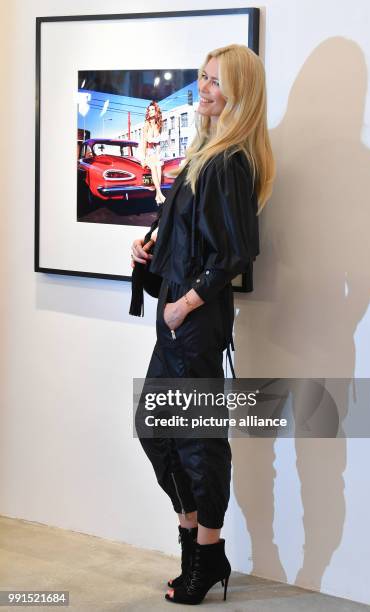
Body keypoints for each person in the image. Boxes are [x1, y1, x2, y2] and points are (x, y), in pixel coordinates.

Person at [131, 43, 275, 605]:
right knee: (156, 431)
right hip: (173, 319)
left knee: (199, 442)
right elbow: (187, 241)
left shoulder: (229, 161)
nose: (205, 89)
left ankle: (207, 554)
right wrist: (148, 257)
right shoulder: (200, 155)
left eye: (216, 81)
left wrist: (184, 304)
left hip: (192, 322)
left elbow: (235, 252)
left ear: (240, 91)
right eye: (202, 78)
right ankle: (195, 545)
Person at [140, 100, 166, 204]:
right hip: (146, 152)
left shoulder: (158, 126)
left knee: (159, 166)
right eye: (149, 110)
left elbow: (158, 144)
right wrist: (143, 158)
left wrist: (159, 156)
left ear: (156, 111)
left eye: (152, 109)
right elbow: (143, 142)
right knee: (154, 167)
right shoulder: (146, 124)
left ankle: (157, 196)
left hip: (154, 153)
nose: (150, 111)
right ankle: (160, 194)